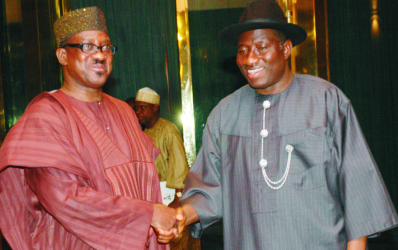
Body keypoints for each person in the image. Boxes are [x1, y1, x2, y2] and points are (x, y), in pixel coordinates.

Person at [164, 1, 398, 249]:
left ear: (286, 49)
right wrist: (183, 216)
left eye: (261, 47)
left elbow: (356, 189)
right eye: (242, 49)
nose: (250, 58)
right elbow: (210, 188)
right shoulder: (225, 113)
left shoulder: (327, 101)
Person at [0, 7, 177, 250]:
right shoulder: (46, 116)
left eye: (106, 47)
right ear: (62, 56)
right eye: (87, 47)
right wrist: (147, 215)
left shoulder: (124, 112)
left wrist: (159, 223)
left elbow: (144, 184)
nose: (100, 55)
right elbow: (65, 198)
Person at [135, 87, 199, 250]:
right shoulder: (143, 132)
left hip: (171, 197)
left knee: (176, 242)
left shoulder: (168, 129)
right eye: (137, 107)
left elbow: (179, 165)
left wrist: (177, 198)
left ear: (155, 107)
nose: (138, 112)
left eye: (143, 107)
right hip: (155, 198)